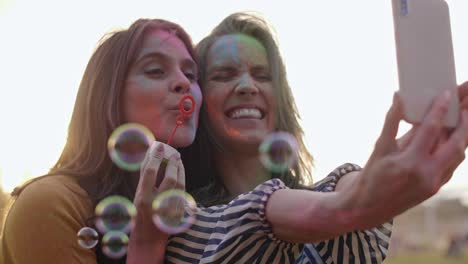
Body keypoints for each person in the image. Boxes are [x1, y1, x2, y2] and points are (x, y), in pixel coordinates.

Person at [149, 12, 468, 263]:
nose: (248, 86)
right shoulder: (182, 221)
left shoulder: (329, 203)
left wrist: (384, 169)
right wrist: (357, 201)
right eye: (224, 75)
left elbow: (344, 191)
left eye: (263, 75)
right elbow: (266, 215)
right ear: (199, 99)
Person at [0, 18, 201, 264]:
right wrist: (148, 243)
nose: (184, 83)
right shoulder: (51, 203)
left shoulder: (196, 206)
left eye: (191, 74)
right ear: (109, 92)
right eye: (155, 70)